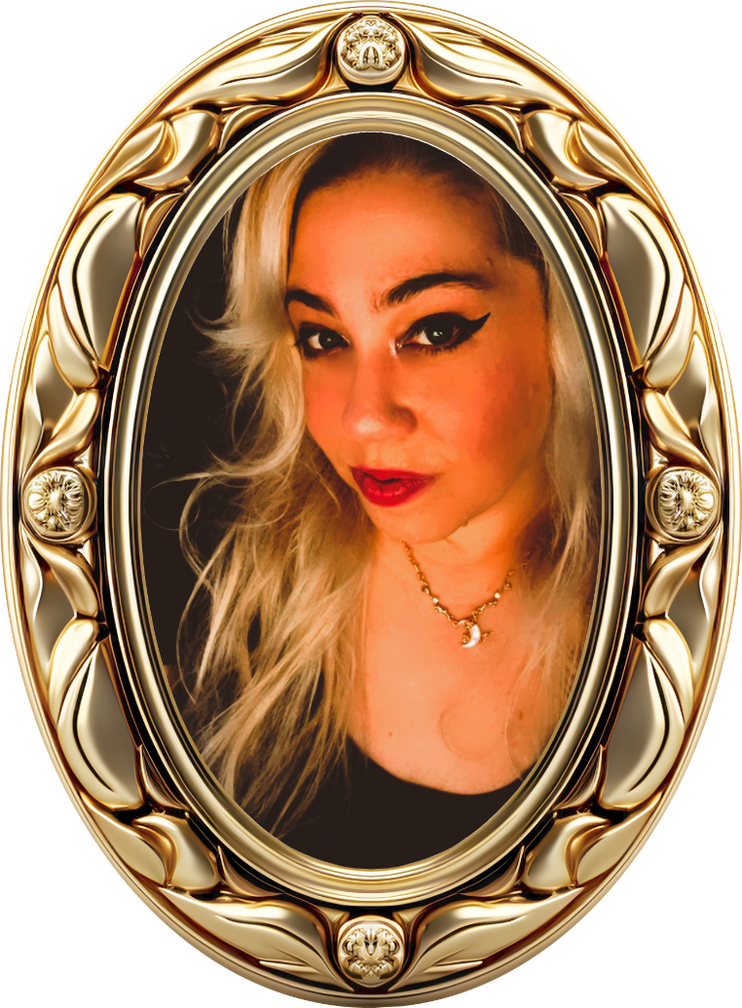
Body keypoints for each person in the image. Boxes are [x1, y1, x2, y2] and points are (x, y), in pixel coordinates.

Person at [175, 133, 599, 867]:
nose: (363, 419)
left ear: (569, 317)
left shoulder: (672, 616)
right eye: (322, 338)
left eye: (434, 330)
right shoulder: (212, 601)